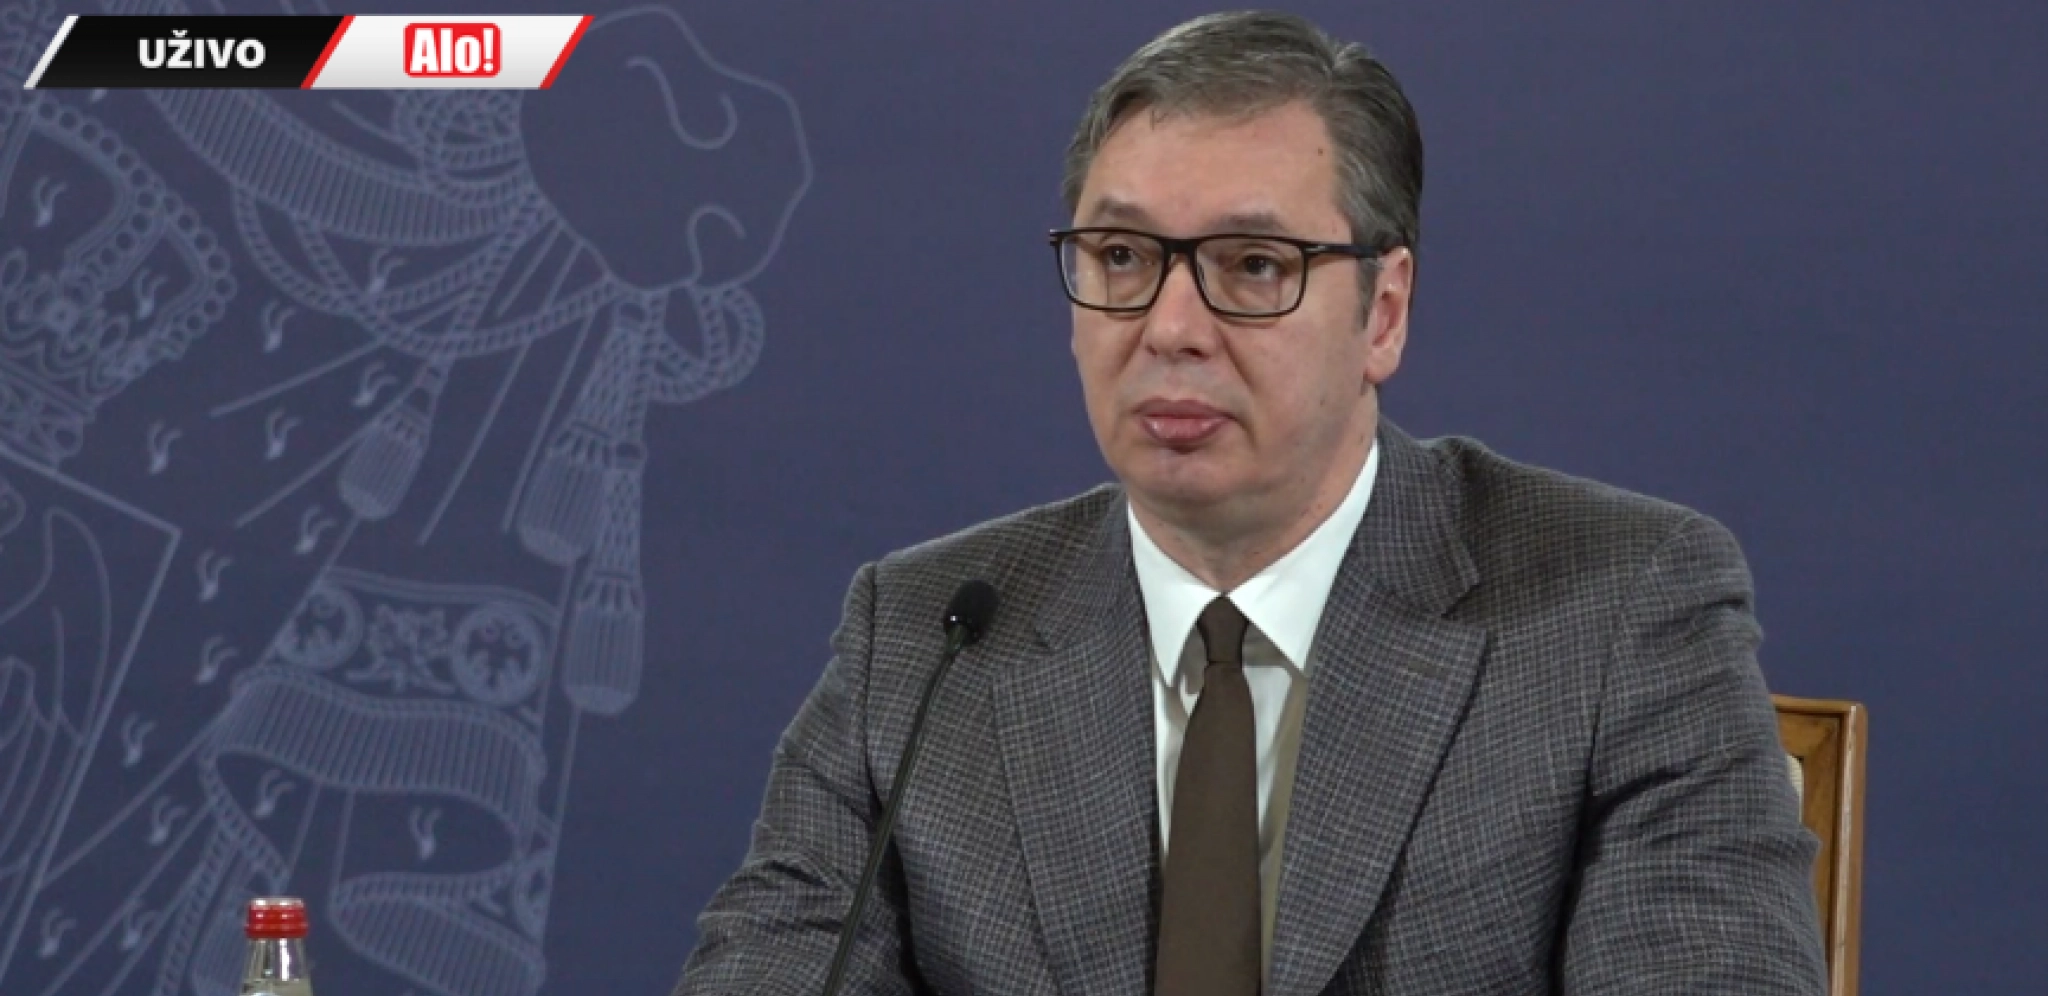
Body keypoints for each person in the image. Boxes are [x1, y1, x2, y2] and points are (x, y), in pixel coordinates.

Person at [673, 10, 1827, 996]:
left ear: (1382, 314)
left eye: (1253, 267)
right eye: (1121, 257)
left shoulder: (1619, 610)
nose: (1169, 327)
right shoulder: (927, 637)